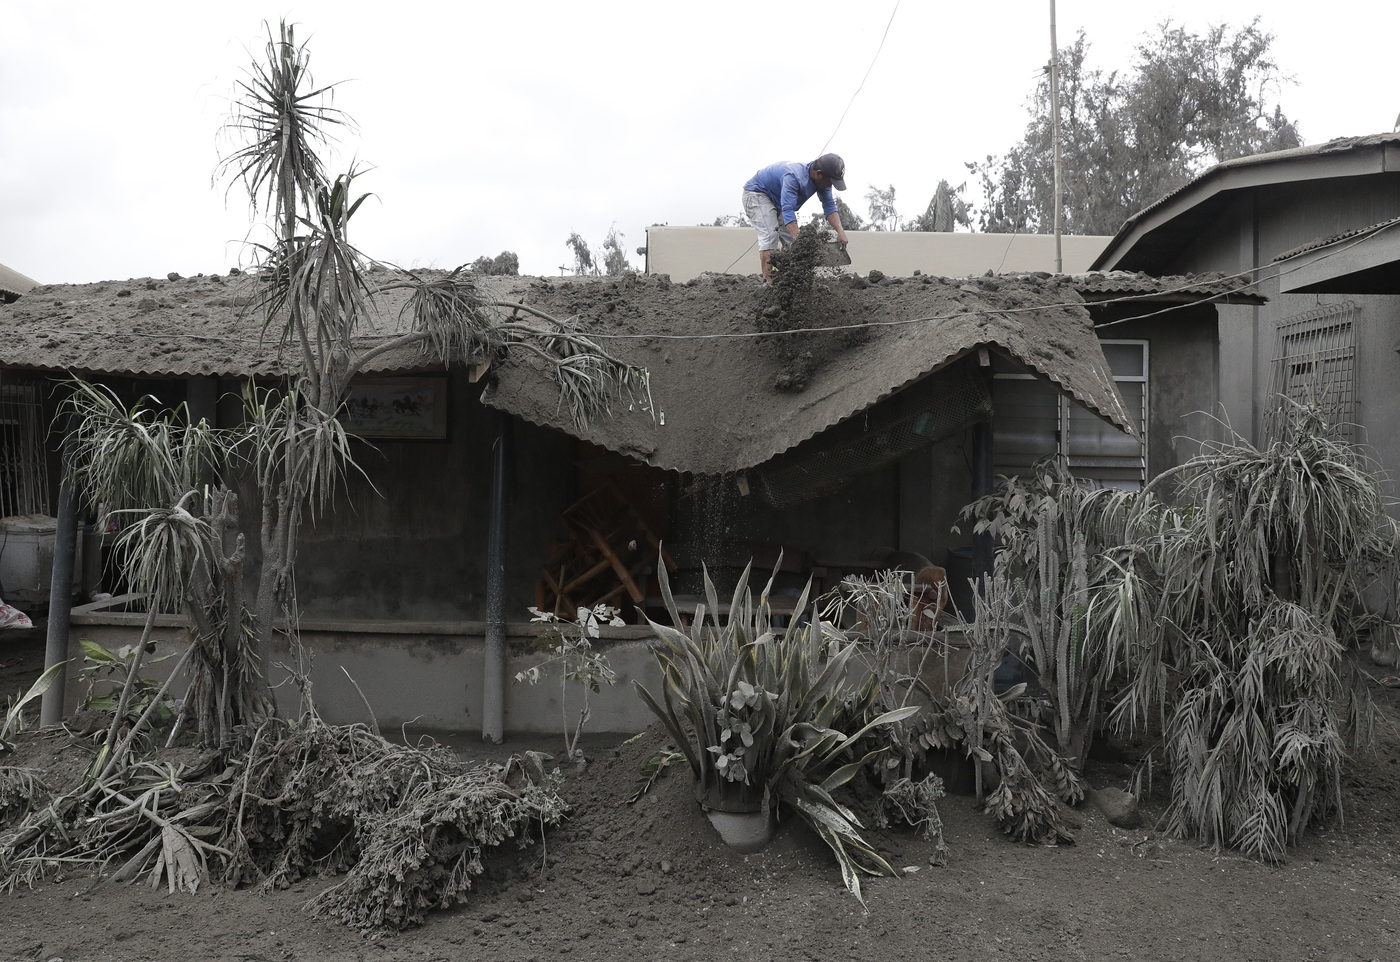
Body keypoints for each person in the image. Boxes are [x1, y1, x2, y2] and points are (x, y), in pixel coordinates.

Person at [742, 153, 850, 281]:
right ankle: (768, 284)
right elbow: (788, 210)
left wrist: (840, 231)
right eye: (830, 181)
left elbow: (829, 205)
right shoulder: (794, 177)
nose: (830, 185)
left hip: (777, 201)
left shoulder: (822, 182)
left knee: (792, 245)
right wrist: (801, 242)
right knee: (770, 235)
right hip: (757, 194)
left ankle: (786, 278)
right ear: (818, 173)